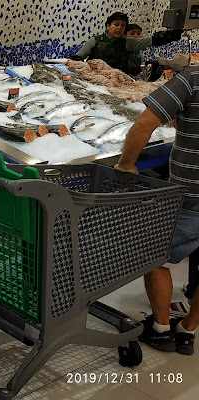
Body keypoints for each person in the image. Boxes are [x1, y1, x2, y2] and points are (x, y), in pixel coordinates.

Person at [115, 68, 199, 356]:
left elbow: (144, 124)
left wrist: (126, 164)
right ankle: (188, 331)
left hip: (190, 196)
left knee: (155, 255)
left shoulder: (193, 78)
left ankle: (161, 328)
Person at [72, 12, 183, 76]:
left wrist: (169, 35)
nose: (119, 28)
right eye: (116, 24)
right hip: (97, 79)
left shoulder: (128, 43)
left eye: (123, 26)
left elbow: (151, 41)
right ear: (107, 26)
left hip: (118, 81)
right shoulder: (95, 40)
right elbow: (78, 57)